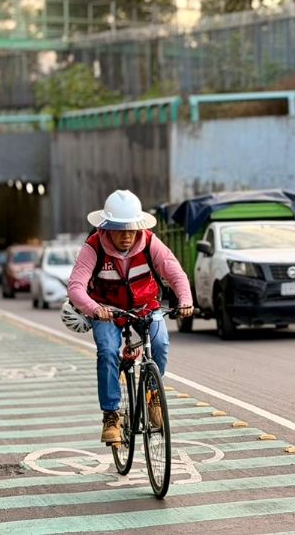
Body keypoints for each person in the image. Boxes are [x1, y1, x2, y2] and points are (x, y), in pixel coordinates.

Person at [64, 190, 193, 444]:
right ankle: (111, 415)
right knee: (108, 351)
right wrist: (93, 309)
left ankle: (153, 395)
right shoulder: (93, 248)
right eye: (119, 229)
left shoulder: (150, 242)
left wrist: (186, 300)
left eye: (131, 229)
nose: (126, 236)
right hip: (107, 312)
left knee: (160, 344)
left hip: (146, 307)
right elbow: (75, 287)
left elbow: (176, 273)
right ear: (106, 227)